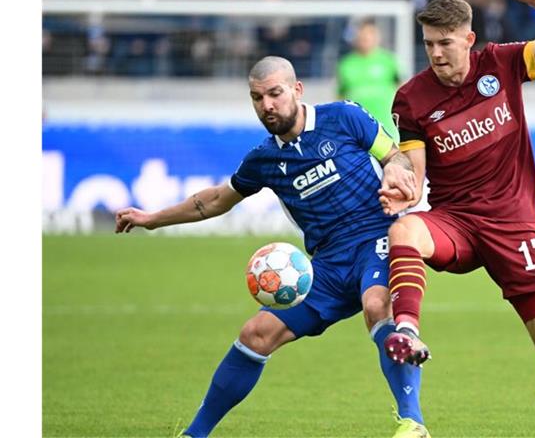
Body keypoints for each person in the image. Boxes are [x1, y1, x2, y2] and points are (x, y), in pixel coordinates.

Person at [114, 56, 430, 438]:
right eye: (257, 98)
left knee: (377, 304)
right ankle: (194, 434)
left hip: (376, 241)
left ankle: (413, 423)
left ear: (297, 90)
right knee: (255, 334)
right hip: (326, 267)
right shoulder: (264, 159)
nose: (267, 105)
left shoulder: (344, 117)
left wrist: (396, 167)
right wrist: (152, 219)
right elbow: (215, 200)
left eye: (275, 94)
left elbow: (394, 154)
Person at [377, 0, 535, 438]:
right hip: (455, 222)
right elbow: (416, 173)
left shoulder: (504, 63)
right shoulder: (411, 99)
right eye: (429, 43)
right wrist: (403, 187)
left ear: (469, 39)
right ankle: (408, 330)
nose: (436, 53)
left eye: (445, 42)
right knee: (404, 230)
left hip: (515, 225)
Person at [337, 18, 401, 141]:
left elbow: (401, 87)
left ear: (377, 37)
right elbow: (340, 95)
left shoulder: (389, 60)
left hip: (386, 127)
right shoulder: (346, 64)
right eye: (362, 35)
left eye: (369, 35)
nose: (365, 38)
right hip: (356, 129)